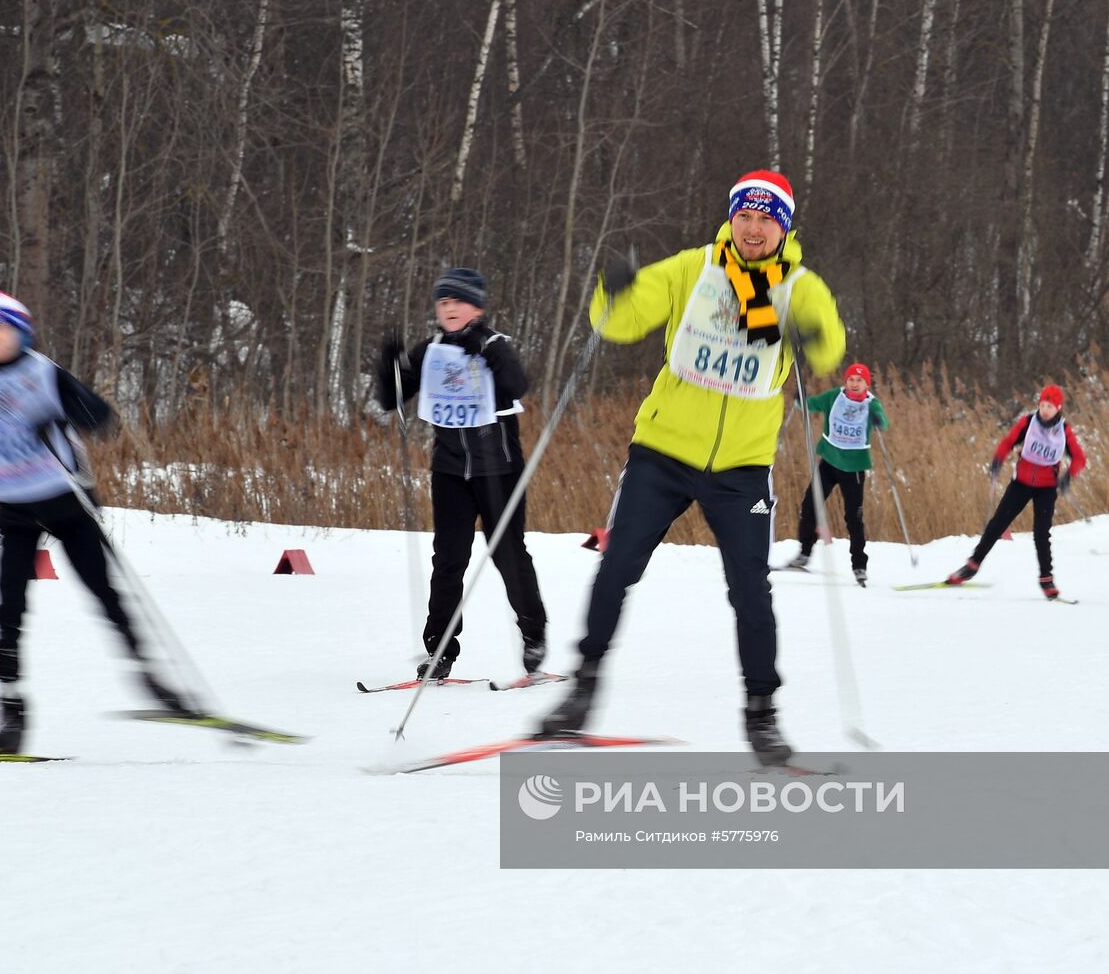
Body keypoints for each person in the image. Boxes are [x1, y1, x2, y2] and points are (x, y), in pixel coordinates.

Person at [535, 169, 846, 767]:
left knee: (751, 592)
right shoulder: (691, 268)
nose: (753, 230)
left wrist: (813, 336)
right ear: (732, 218)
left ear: (783, 228)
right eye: (745, 217)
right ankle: (581, 691)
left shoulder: (799, 287)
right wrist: (613, 290)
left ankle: (763, 716)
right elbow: (618, 323)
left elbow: (830, 345)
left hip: (742, 469)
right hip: (663, 452)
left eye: (766, 220)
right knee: (617, 565)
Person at [0, 289, 192, 754]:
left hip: (67, 501)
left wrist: (62, 417)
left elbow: (101, 416)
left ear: (21, 332)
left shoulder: (46, 373)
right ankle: (10, 709)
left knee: (104, 592)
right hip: (13, 509)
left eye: (1, 330)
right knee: (9, 610)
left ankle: (155, 680)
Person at [376, 267, 548, 681]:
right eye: (443, 301)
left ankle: (533, 636)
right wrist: (389, 365)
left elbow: (517, 385)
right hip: (450, 471)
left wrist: (484, 350)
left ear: (477, 306)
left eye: (457, 301)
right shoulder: (431, 349)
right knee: (448, 562)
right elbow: (390, 399)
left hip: (499, 471)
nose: (449, 308)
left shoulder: (494, 343)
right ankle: (439, 651)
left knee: (508, 553)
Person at [945, 384, 1086, 598]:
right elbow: (1008, 442)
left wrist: (1068, 476)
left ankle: (1046, 579)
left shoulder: (1064, 431)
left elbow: (1080, 458)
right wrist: (997, 460)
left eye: (1050, 406)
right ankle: (972, 565)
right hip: (1021, 483)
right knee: (997, 524)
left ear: (1058, 408)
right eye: (1043, 405)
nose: (1045, 410)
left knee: (1041, 534)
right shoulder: (1028, 423)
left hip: (1047, 488)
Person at [785, 361, 888, 585]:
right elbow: (810, 404)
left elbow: (883, 421)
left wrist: (879, 421)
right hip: (830, 461)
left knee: (854, 518)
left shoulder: (872, 404)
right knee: (810, 504)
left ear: (866, 384)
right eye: (851, 379)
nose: (854, 384)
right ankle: (804, 552)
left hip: (854, 468)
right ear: (846, 381)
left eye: (860, 380)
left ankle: (859, 565)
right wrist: (800, 399)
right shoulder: (834, 396)